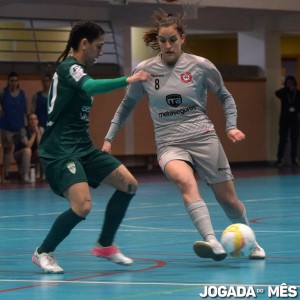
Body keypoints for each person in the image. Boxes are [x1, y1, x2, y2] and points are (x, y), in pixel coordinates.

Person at [103, 10, 265, 261]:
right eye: (162, 40)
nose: (167, 45)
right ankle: (212, 241)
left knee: (229, 201)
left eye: (172, 40)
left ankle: (252, 242)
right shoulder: (145, 70)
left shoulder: (201, 66)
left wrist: (230, 126)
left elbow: (225, 96)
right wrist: (109, 137)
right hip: (169, 142)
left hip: (203, 136)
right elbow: (126, 106)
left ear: (182, 39)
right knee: (185, 182)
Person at [31, 20, 149, 274]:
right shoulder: (69, 68)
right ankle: (43, 252)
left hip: (83, 148)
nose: (102, 51)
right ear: (84, 43)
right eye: (99, 46)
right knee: (82, 205)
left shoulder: (79, 71)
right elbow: (92, 87)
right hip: (61, 150)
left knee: (129, 184)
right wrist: (129, 79)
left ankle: (105, 244)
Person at [0, 71, 28, 180]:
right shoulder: (3, 93)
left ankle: (23, 174)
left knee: (21, 150)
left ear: (18, 82)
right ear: (8, 82)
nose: (13, 83)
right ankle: (5, 175)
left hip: (20, 126)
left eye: (15, 80)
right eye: (11, 81)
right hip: (6, 127)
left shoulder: (23, 94)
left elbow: (26, 110)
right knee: (8, 151)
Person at [275, 75, 300, 167]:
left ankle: (294, 159)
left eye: (291, 83)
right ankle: (279, 159)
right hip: (284, 119)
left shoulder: (298, 93)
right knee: (282, 139)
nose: (289, 85)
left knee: (294, 140)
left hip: (294, 119)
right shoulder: (284, 93)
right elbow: (277, 93)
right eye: (288, 83)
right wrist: (285, 87)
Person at [14, 113, 44, 183]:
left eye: (35, 119)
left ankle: (43, 176)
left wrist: (38, 133)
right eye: (31, 119)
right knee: (27, 150)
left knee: (42, 152)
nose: (33, 121)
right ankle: (24, 176)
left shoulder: (41, 129)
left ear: (38, 121)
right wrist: (34, 134)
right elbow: (28, 145)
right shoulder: (23, 130)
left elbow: (41, 146)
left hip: (33, 154)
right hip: (19, 154)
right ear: (28, 121)